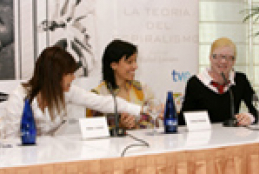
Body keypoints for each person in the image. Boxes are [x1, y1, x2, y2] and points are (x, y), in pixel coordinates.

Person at [1, 46, 144, 138]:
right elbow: (10, 140)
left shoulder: (67, 92)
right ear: (55, 75)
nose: (73, 77)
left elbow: (103, 102)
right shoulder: (19, 97)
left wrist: (142, 110)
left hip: (49, 155)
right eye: (69, 73)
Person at [179, 37, 258, 126]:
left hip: (233, 136)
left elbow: (255, 108)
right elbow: (183, 120)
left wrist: (250, 117)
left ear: (234, 61)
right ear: (210, 58)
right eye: (218, 57)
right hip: (202, 137)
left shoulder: (240, 80)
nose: (223, 61)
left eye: (229, 58)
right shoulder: (195, 83)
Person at [86, 39, 159, 129]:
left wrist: (136, 127)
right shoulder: (97, 95)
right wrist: (119, 127)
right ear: (113, 65)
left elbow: (155, 123)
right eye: (129, 62)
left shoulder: (143, 89)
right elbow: (91, 131)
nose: (135, 66)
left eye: (135, 61)